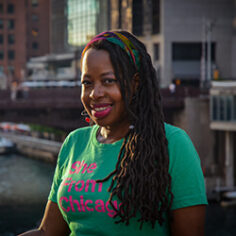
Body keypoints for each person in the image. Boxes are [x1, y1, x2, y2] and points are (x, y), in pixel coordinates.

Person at [19, 30, 207, 236]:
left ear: (135, 83)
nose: (95, 93)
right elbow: (48, 232)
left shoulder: (173, 144)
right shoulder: (74, 142)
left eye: (108, 81)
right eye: (87, 83)